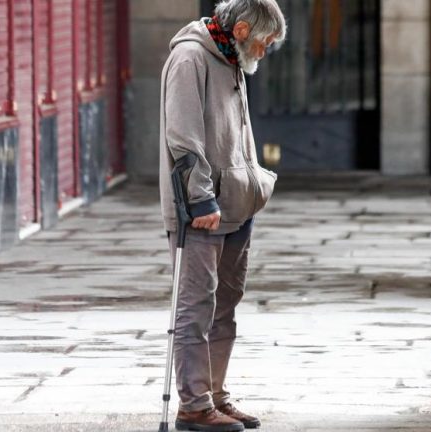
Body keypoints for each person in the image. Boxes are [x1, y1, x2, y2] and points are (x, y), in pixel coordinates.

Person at [158, 0, 287, 431]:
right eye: (265, 42)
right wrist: (201, 200)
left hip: (236, 204)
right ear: (244, 29)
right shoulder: (190, 58)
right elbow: (183, 137)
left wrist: (252, 186)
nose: (265, 53)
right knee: (196, 306)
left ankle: (214, 393)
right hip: (202, 210)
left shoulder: (232, 57)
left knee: (225, 305)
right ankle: (193, 406)